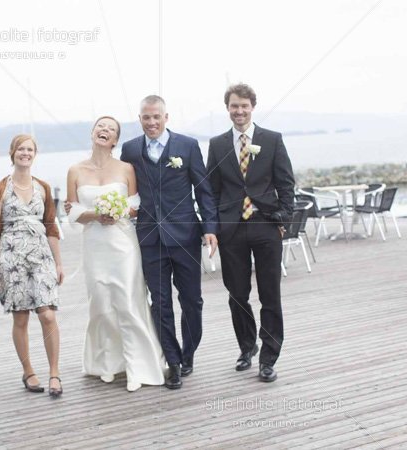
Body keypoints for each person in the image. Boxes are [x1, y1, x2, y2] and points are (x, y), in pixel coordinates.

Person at [120, 96, 218, 389]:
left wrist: (210, 228)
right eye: (146, 117)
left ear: (166, 117)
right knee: (159, 302)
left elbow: (203, 190)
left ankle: (188, 354)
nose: (151, 122)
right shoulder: (130, 150)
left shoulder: (187, 146)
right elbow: (123, 188)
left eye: (156, 117)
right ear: (140, 119)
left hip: (185, 235)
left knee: (192, 301)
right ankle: (172, 362)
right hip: (150, 238)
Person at [65, 116, 165, 393]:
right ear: (92, 133)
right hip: (94, 244)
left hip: (123, 244)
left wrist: (117, 211)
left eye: (111, 129)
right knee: (101, 304)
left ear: (115, 140)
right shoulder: (75, 170)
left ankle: (137, 367)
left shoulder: (126, 168)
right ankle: (106, 363)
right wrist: (96, 215)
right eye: (101, 126)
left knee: (128, 302)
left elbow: (135, 206)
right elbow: (72, 211)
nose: (105, 130)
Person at [207, 84, 295, 382]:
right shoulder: (217, 144)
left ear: (252, 107)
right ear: (228, 108)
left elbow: (286, 183)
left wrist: (283, 216)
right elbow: (211, 190)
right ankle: (247, 347)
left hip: (265, 225)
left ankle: (269, 358)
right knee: (237, 295)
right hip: (231, 229)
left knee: (270, 295)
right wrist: (212, 228)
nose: (239, 111)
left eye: (244, 106)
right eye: (234, 106)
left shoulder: (272, 139)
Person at [0, 134, 65, 397]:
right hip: (11, 258)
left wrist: (59, 263)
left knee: (47, 314)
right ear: (12, 152)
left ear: (35, 154)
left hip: (41, 256)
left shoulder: (43, 188)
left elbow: (51, 227)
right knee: (21, 317)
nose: (25, 153)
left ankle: (54, 373)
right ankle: (28, 371)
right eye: (21, 149)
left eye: (29, 149)